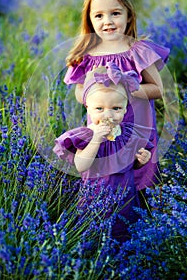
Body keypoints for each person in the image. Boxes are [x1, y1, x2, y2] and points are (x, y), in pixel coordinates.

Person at [64, 0, 170, 201]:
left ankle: (144, 217)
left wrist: (128, 88)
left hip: (136, 126)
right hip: (103, 128)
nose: (107, 21)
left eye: (115, 13)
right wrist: (93, 93)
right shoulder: (87, 54)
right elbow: (79, 91)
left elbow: (158, 89)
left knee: (139, 175)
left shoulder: (137, 51)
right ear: (89, 19)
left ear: (128, 14)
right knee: (105, 179)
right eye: (99, 16)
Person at [54, 63, 153, 242]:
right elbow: (81, 165)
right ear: (88, 109)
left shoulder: (129, 134)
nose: (108, 115)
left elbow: (130, 165)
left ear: (125, 108)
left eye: (116, 108)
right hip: (95, 198)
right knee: (94, 234)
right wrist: (95, 140)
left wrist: (140, 161)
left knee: (125, 231)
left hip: (125, 197)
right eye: (99, 109)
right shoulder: (86, 135)